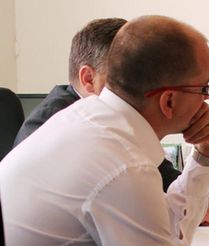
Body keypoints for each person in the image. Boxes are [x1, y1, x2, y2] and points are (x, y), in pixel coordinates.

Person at [0, 15, 209, 246]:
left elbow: (173, 236)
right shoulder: (123, 166)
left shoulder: (82, 122)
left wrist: (205, 154)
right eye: (204, 89)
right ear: (168, 101)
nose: (207, 102)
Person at [11, 18, 182, 193]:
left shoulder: (115, 116)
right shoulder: (49, 123)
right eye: (125, 78)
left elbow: (162, 175)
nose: (139, 88)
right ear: (88, 79)